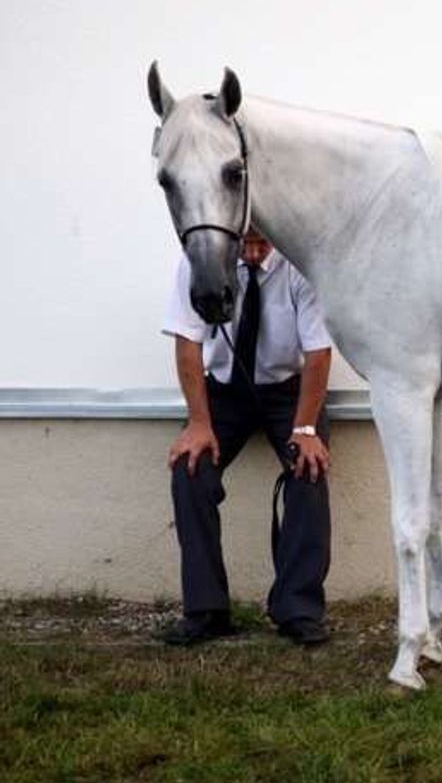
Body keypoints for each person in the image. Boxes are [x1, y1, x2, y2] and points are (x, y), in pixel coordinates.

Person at [160, 228, 334, 646]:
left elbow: (318, 353)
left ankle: (298, 609)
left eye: (263, 243)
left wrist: (305, 430)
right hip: (224, 389)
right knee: (191, 471)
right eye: (246, 244)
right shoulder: (200, 261)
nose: (254, 254)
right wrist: (199, 423)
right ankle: (206, 611)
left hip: (289, 392)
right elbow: (188, 344)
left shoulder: (303, 265)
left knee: (308, 472)